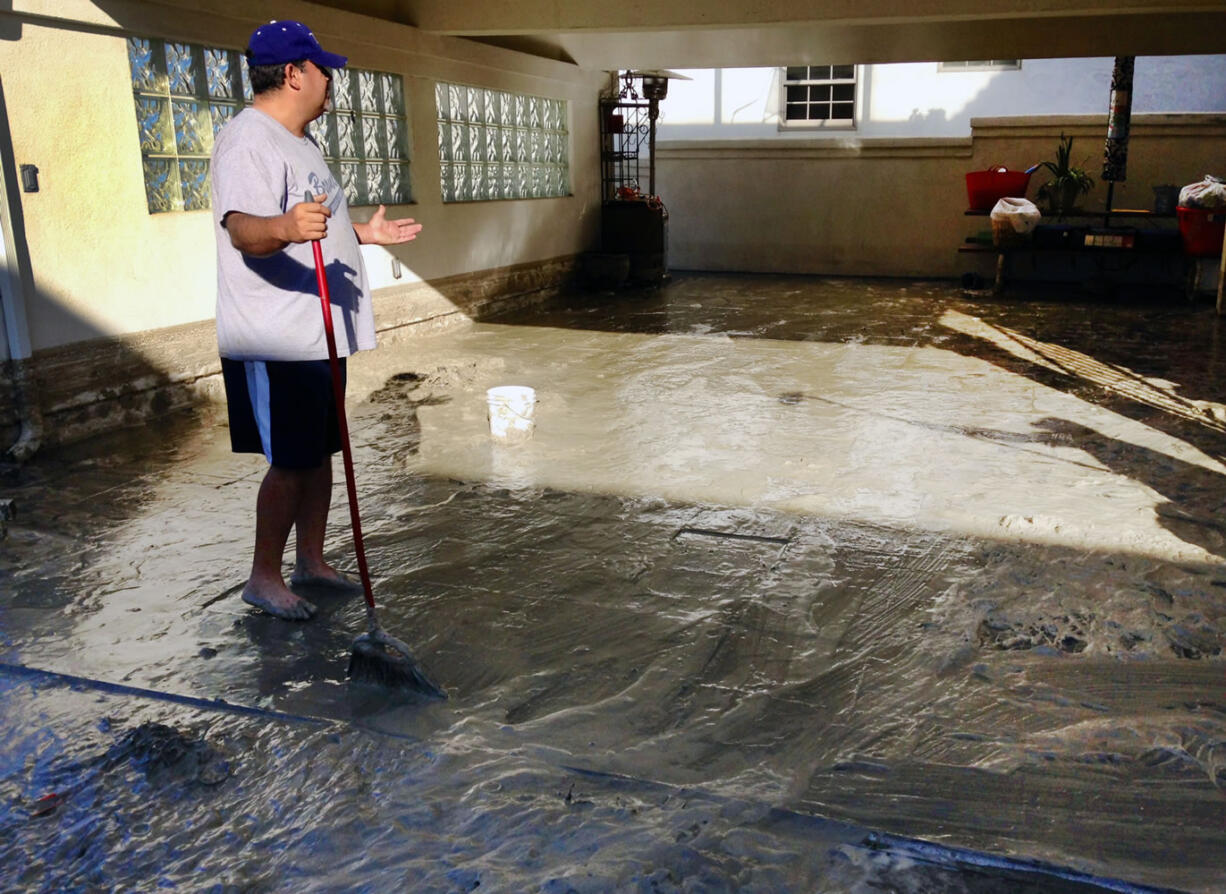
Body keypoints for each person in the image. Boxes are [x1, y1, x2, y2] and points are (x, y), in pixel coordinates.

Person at [211, 20, 422, 620]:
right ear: (294, 73)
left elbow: (311, 224)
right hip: (278, 335)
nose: (332, 81)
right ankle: (263, 576)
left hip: (318, 333)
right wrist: (282, 227)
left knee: (322, 450)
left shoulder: (298, 141)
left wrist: (362, 235)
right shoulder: (248, 139)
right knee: (292, 461)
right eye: (323, 69)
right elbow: (244, 228)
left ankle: (310, 560)